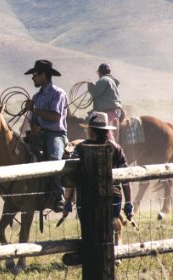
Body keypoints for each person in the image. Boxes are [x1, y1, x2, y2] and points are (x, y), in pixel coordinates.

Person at [70, 111, 134, 228]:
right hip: (113, 197)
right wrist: (128, 202)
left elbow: (72, 175)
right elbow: (125, 177)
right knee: (108, 231)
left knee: (89, 231)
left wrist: (68, 201)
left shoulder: (79, 148)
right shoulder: (116, 148)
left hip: (86, 199)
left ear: (91, 130)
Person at [24, 59, 68, 213]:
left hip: (55, 134)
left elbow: (55, 117)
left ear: (44, 75)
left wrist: (34, 110)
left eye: (35, 74)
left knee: (55, 160)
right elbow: (33, 119)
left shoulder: (58, 93)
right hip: (40, 134)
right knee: (21, 152)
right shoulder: (36, 97)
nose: (33, 77)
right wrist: (33, 126)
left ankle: (59, 196)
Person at [87, 63, 122, 141]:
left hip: (106, 114)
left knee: (105, 137)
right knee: (112, 136)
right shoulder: (112, 81)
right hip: (114, 112)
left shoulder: (104, 79)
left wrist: (90, 85)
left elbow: (95, 92)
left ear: (99, 72)